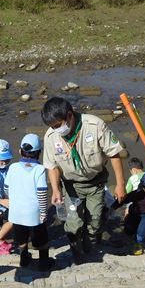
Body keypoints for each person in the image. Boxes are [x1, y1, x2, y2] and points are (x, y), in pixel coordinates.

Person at [41, 97, 126, 264]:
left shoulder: (94, 126)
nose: (56, 130)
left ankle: (90, 238)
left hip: (95, 184)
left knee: (94, 221)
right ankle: (76, 252)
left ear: (70, 115)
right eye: (52, 127)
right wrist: (56, 190)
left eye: (58, 125)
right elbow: (52, 165)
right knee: (74, 223)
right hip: (71, 186)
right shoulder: (51, 136)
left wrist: (121, 184)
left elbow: (114, 153)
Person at [4, 134, 55, 271]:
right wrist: (44, 211)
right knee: (41, 237)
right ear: (39, 153)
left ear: (20, 151)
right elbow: (42, 193)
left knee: (21, 236)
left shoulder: (13, 167)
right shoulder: (39, 170)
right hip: (34, 212)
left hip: (16, 211)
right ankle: (44, 262)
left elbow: (6, 188)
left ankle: (24, 258)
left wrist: (15, 199)